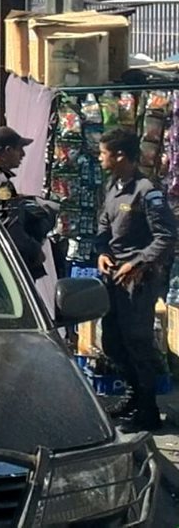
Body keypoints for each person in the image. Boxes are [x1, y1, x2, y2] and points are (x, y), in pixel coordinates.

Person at [95, 127, 178, 430]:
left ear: (119, 155)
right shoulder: (112, 187)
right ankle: (132, 395)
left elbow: (167, 235)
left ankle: (147, 410)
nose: (99, 156)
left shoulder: (146, 191)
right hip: (114, 279)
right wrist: (102, 253)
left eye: (103, 152)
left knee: (137, 344)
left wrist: (138, 263)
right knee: (113, 343)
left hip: (138, 283)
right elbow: (104, 230)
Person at [0, 127, 49, 279]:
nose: (23, 154)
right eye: (19, 149)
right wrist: (35, 251)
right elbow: (10, 227)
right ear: (6, 151)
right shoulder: (1, 185)